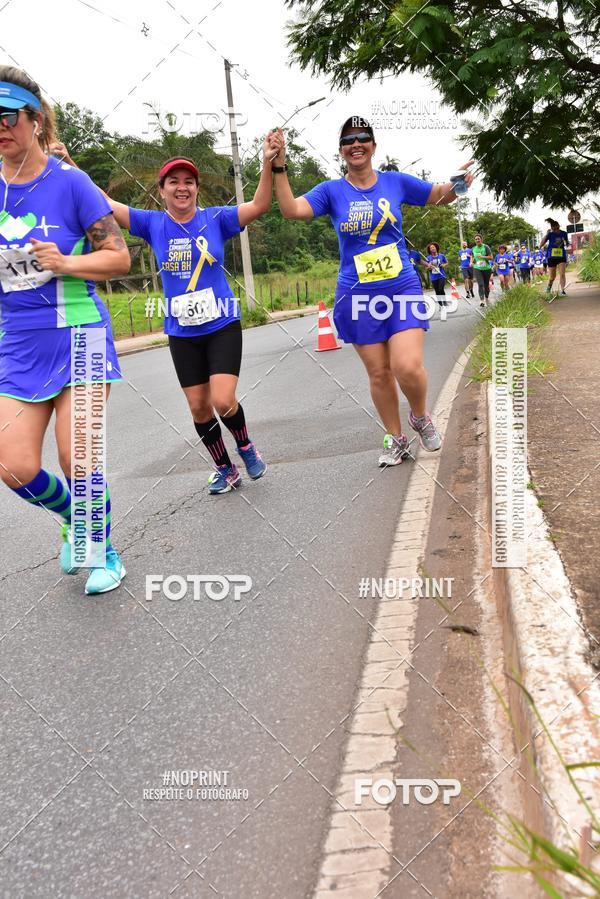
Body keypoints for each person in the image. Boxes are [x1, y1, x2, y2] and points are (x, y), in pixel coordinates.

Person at [55, 135, 282, 495]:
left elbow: (259, 203)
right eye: (173, 182)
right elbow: (104, 203)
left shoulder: (217, 219)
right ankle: (225, 468)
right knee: (199, 408)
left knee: (222, 400)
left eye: (188, 181)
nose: (182, 187)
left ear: (196, 189)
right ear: (162, 190)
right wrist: (69, 164)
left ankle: (245, 445)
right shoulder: (151, 224)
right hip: (182, 333)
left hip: (222, 324)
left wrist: (270, 163)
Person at [270, 116, 473, 466]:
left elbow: (440, 196)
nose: (356, 144)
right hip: (357, 294)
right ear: (341, 151)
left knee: (407, 366)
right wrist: (278, 166)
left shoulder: (395, 183)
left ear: (374, 146)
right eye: (348, 140)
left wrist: (458, 184)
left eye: (363, 137)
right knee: (379, 373)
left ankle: (420, 416)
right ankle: (396, 439)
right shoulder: (331, 191)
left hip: (401, 287)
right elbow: (290, 210)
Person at [0, 66, 130, 595]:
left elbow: (118, 258)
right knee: (14, 467)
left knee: (77, 456)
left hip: (78, 331)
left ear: (34, 120)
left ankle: (103, 551)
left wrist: (65, 264)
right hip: (19, 342)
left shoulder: (71, 182)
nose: (0, 128)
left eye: (8, 117)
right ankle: (77, 520)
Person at [540, 218, 570, 298]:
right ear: (552, 228)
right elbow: (541, 244)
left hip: (561, 256)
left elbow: (567, 243)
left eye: (557, 228)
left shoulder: (564, 233)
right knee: (552, 277)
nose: (556, 230)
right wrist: (546, 234)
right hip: (551, 257)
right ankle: (549, 288)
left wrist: (566, 242)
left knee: (562, 274)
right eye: (555, 229)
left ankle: (563, 290)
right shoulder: (550, 234)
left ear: (559, 226)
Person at [471, 234, 493, 307]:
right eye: (476, 239)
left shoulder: (486, 247)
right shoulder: (473, 248)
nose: (477, 240)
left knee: (486, 285)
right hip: (477, 268)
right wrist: (471, 262)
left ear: (481, 239)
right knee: (480, 284)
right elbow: (473, 257)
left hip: (486, 268)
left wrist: (482, 257)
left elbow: (491, 257)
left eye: (478, 239)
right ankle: (482, 300)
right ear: (475, 241)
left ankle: (486, 297)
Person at [425, 242, 449, 306]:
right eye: (431, 248)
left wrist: (443, 265)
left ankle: (445, 302)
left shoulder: (441, 256)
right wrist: (429, 266)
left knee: (441, 289)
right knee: (437, 291)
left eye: (433, 247)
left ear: (436, 248)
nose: (433, 248)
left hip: (441, 275)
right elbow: (426, 268)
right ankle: (441, 304)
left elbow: (447, 263)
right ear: (429, 250)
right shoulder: (428, 258)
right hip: (433, 277)